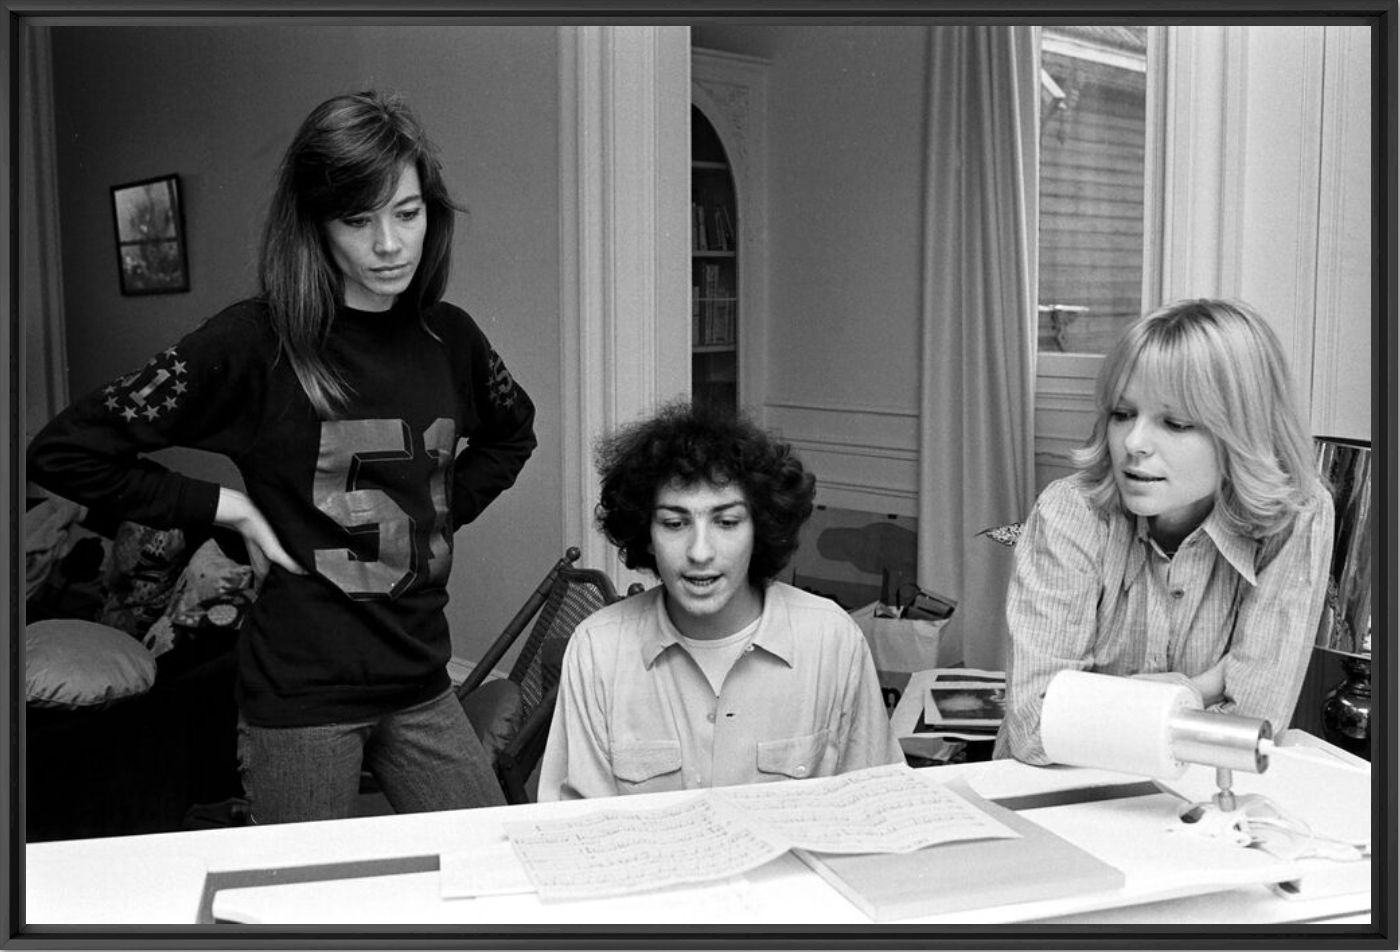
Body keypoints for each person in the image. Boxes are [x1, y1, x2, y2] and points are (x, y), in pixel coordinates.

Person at [26, 90, 537, 822]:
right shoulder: (254, 344)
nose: (389, 245)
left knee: (493, 877)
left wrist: (433, 514)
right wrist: (225, 506)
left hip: (421, 680)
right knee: (302, 915)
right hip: (301, 701)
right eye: (357, 220)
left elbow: (513, 432)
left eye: (407, 213)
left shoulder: (450, 339)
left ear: (433, 211)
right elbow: (65, 451)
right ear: (316, 227)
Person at [994, 299, 1334, 765]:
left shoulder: (1297, 514)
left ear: (1245, 431)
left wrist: (1096, 709)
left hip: (1192, 809)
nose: (1134, 444)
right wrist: (1199, 689)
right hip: (1051, 797)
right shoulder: (1070, 511)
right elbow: (1036, 732)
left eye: (1174, 423)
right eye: (1122, 413)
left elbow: (1248, 729)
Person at [537, 400, 903, 800]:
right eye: (674, 524)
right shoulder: (598, 649)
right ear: (646, 532)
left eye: (727, 522)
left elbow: (874, 807)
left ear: (760, 527)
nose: (699, 552)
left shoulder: (831, 640)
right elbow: (575, 832)